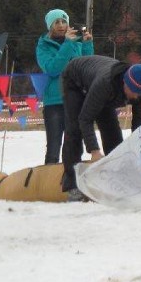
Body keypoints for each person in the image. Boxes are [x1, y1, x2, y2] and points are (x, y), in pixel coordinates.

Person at [60, 56, 141, 201]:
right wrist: (94, 151)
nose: (135, 96)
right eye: (132, 91)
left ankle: (118, 182)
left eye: (139, 93)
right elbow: (85, 118)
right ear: (124, 82)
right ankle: (73, 186)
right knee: (74, 131)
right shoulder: (105, 83)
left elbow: (140, 124)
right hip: (75, 81)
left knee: (113, 134)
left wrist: (139, 151)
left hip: (106, 93)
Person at [35, 9, 94, 165]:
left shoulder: (75, 42)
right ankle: (47, 183)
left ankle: (73, 182)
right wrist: (67, 44)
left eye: (64, 21)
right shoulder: (43, 46)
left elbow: (85, 66)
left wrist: (87, 44)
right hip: (54, 102)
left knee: (74, 145)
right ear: (50, 26)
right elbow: (53, 69)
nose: (61, 25)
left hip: (75, 100)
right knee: (54, 147)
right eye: (57, 22)